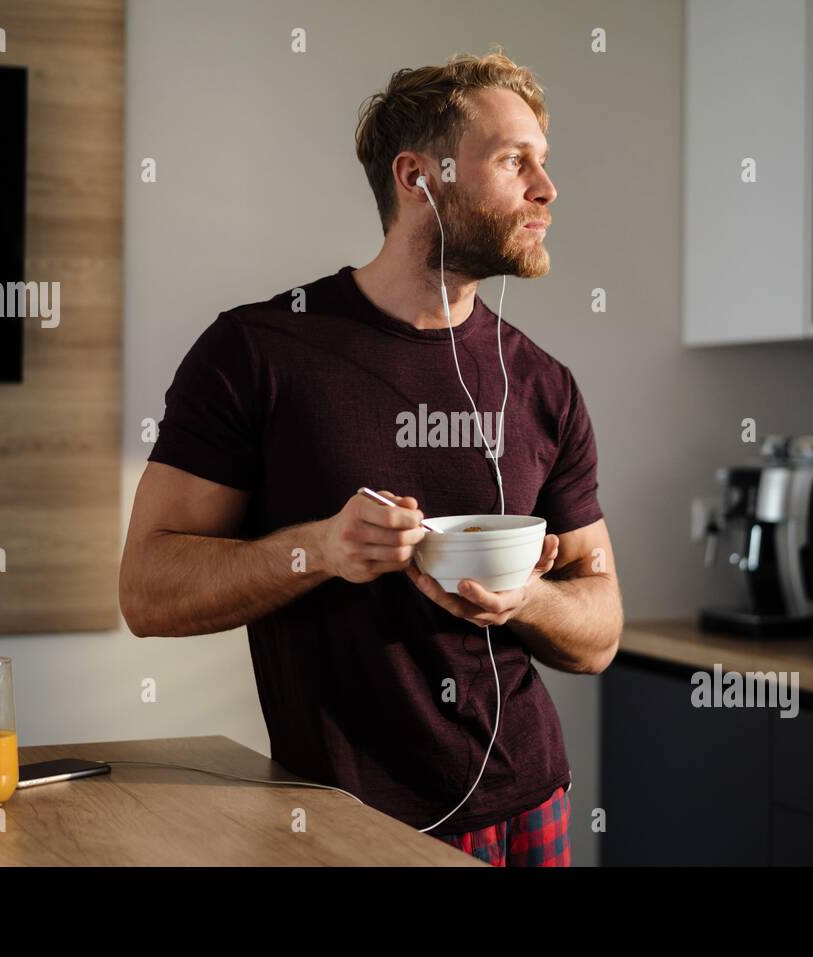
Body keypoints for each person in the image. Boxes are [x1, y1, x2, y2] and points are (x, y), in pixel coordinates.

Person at [119, 48, 622, 867]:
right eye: (513, 160)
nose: (546, 189)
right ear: (419, 176)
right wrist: (319, 549)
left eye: (544, 162)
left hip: (531, 801)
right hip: (341, 824)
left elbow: (600, 629)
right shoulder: (256, 352)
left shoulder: (545, 385)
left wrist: (523, 598)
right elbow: (146, 589)